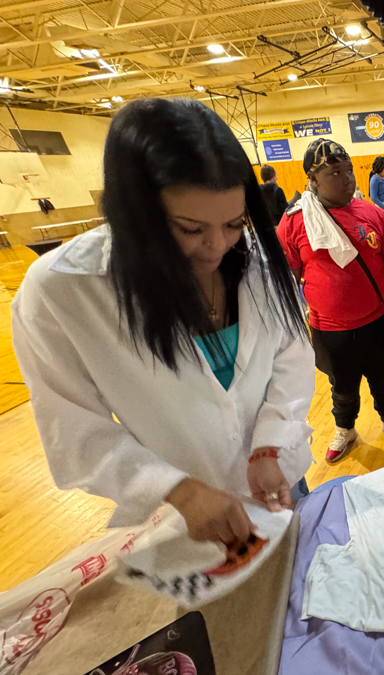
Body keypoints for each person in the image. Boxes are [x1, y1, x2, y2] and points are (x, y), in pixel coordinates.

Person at [12, 98, 314, 547]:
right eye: (191, 229)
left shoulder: (252, 261)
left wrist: (270, 444)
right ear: (136, 215)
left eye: (234, 223)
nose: (217, 246)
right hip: (178, 515)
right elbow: (73, 428)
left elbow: (291, 355)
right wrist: (178, 489)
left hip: (274, 479)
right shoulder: (63, 290)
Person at [278, 139, 384, 463]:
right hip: (329, 329)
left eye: (349, 171)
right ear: (313, 180)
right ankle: (345, 430)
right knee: (341, 387)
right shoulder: (295, 221)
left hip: (378, 319)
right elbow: (288, 277)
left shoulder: (371, 213)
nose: (347, 179)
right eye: (335, 173)